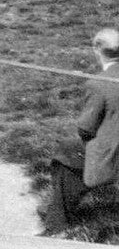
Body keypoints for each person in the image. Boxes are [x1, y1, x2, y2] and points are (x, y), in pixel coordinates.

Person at [43, 28, 119, 234]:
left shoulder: (98, 84)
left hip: (113, 153)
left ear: (97, 49)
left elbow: (85, 128)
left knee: (65, 155)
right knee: (69, 150)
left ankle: (56, 225)